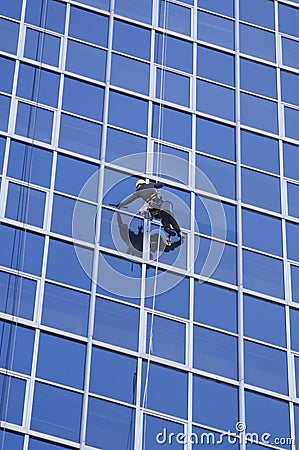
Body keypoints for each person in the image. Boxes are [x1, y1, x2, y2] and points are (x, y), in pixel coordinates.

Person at [118, 179, 183, 244]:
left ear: (139, 185)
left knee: (163, 216)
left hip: (153, 210)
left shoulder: (138, 192)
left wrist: (121, 204)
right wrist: (158, 181)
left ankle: (168, 228)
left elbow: (129, 200)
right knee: (168, 217)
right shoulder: (151, 185)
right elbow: (161, 185)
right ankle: (178, 231)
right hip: (161, 205)